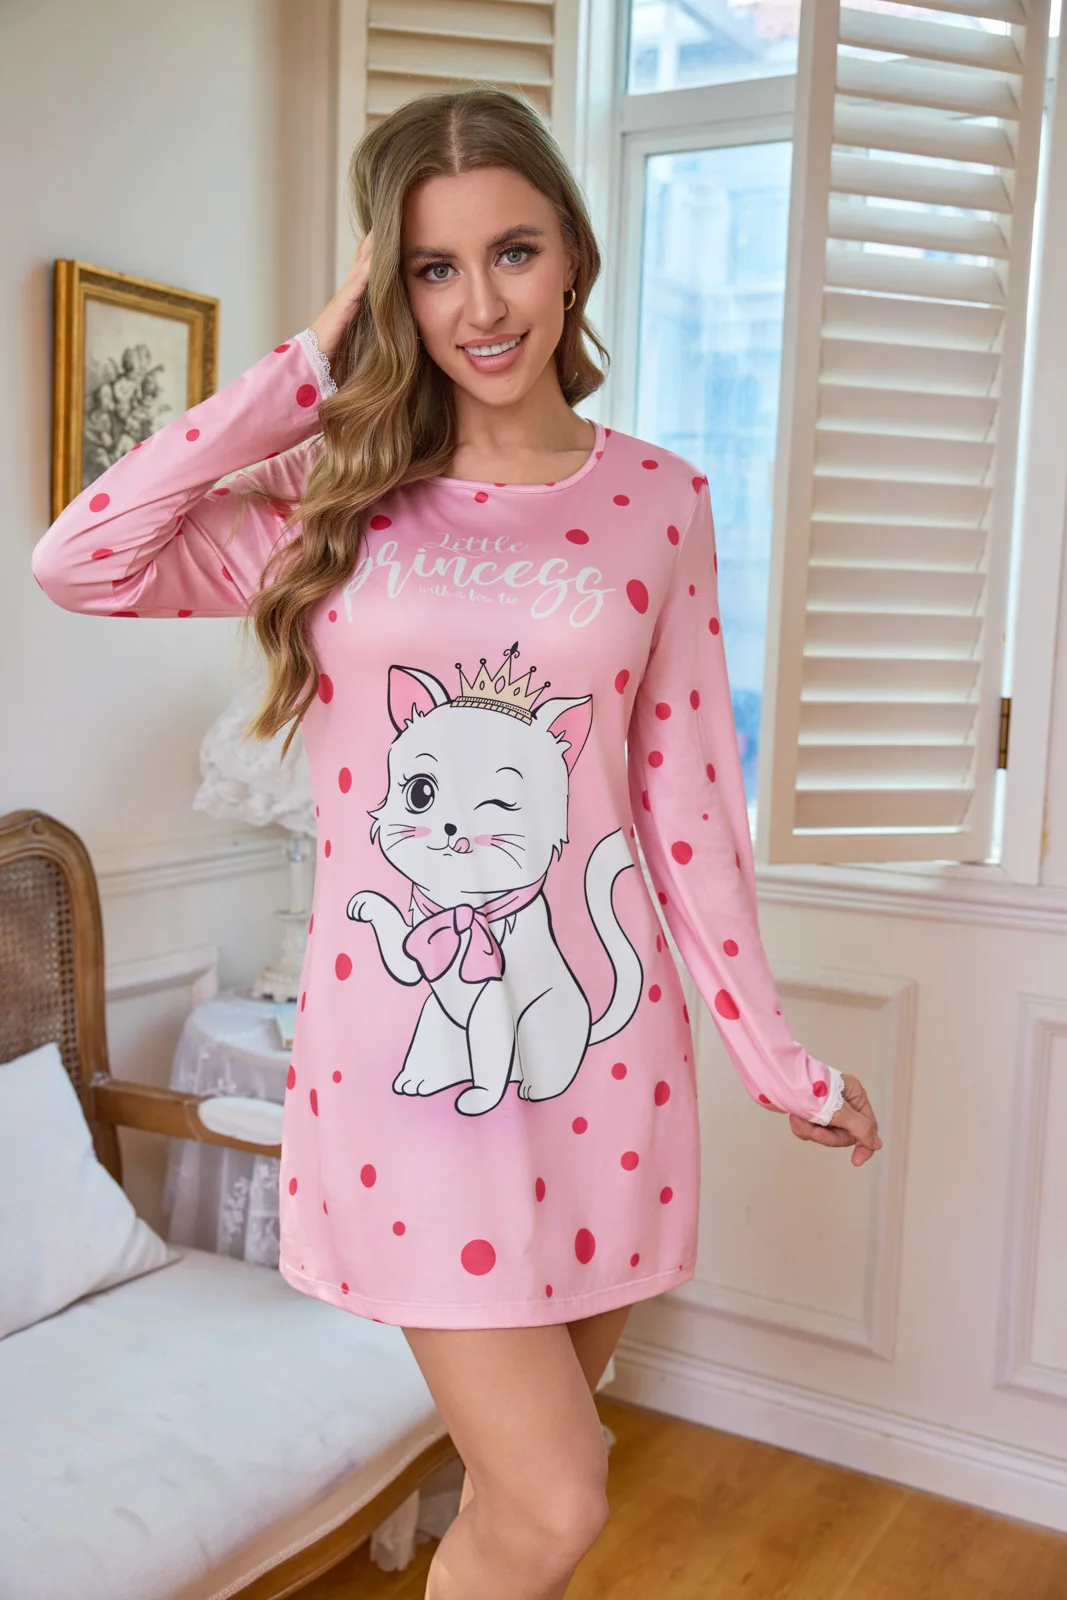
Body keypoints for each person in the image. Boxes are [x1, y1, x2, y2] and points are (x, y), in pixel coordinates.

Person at [33, 84, 881, 1600]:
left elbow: (686, 803)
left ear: (573, 256)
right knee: (555, 1506)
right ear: (391, 290)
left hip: (608, 1066)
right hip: (412, 1082)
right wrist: (304, 369)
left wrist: (774, 1056)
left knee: (516, 1498)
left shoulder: (659, 502)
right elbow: (80, 557)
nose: (481, 306)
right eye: (433, 268)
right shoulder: (334, 503)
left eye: (513, 252)